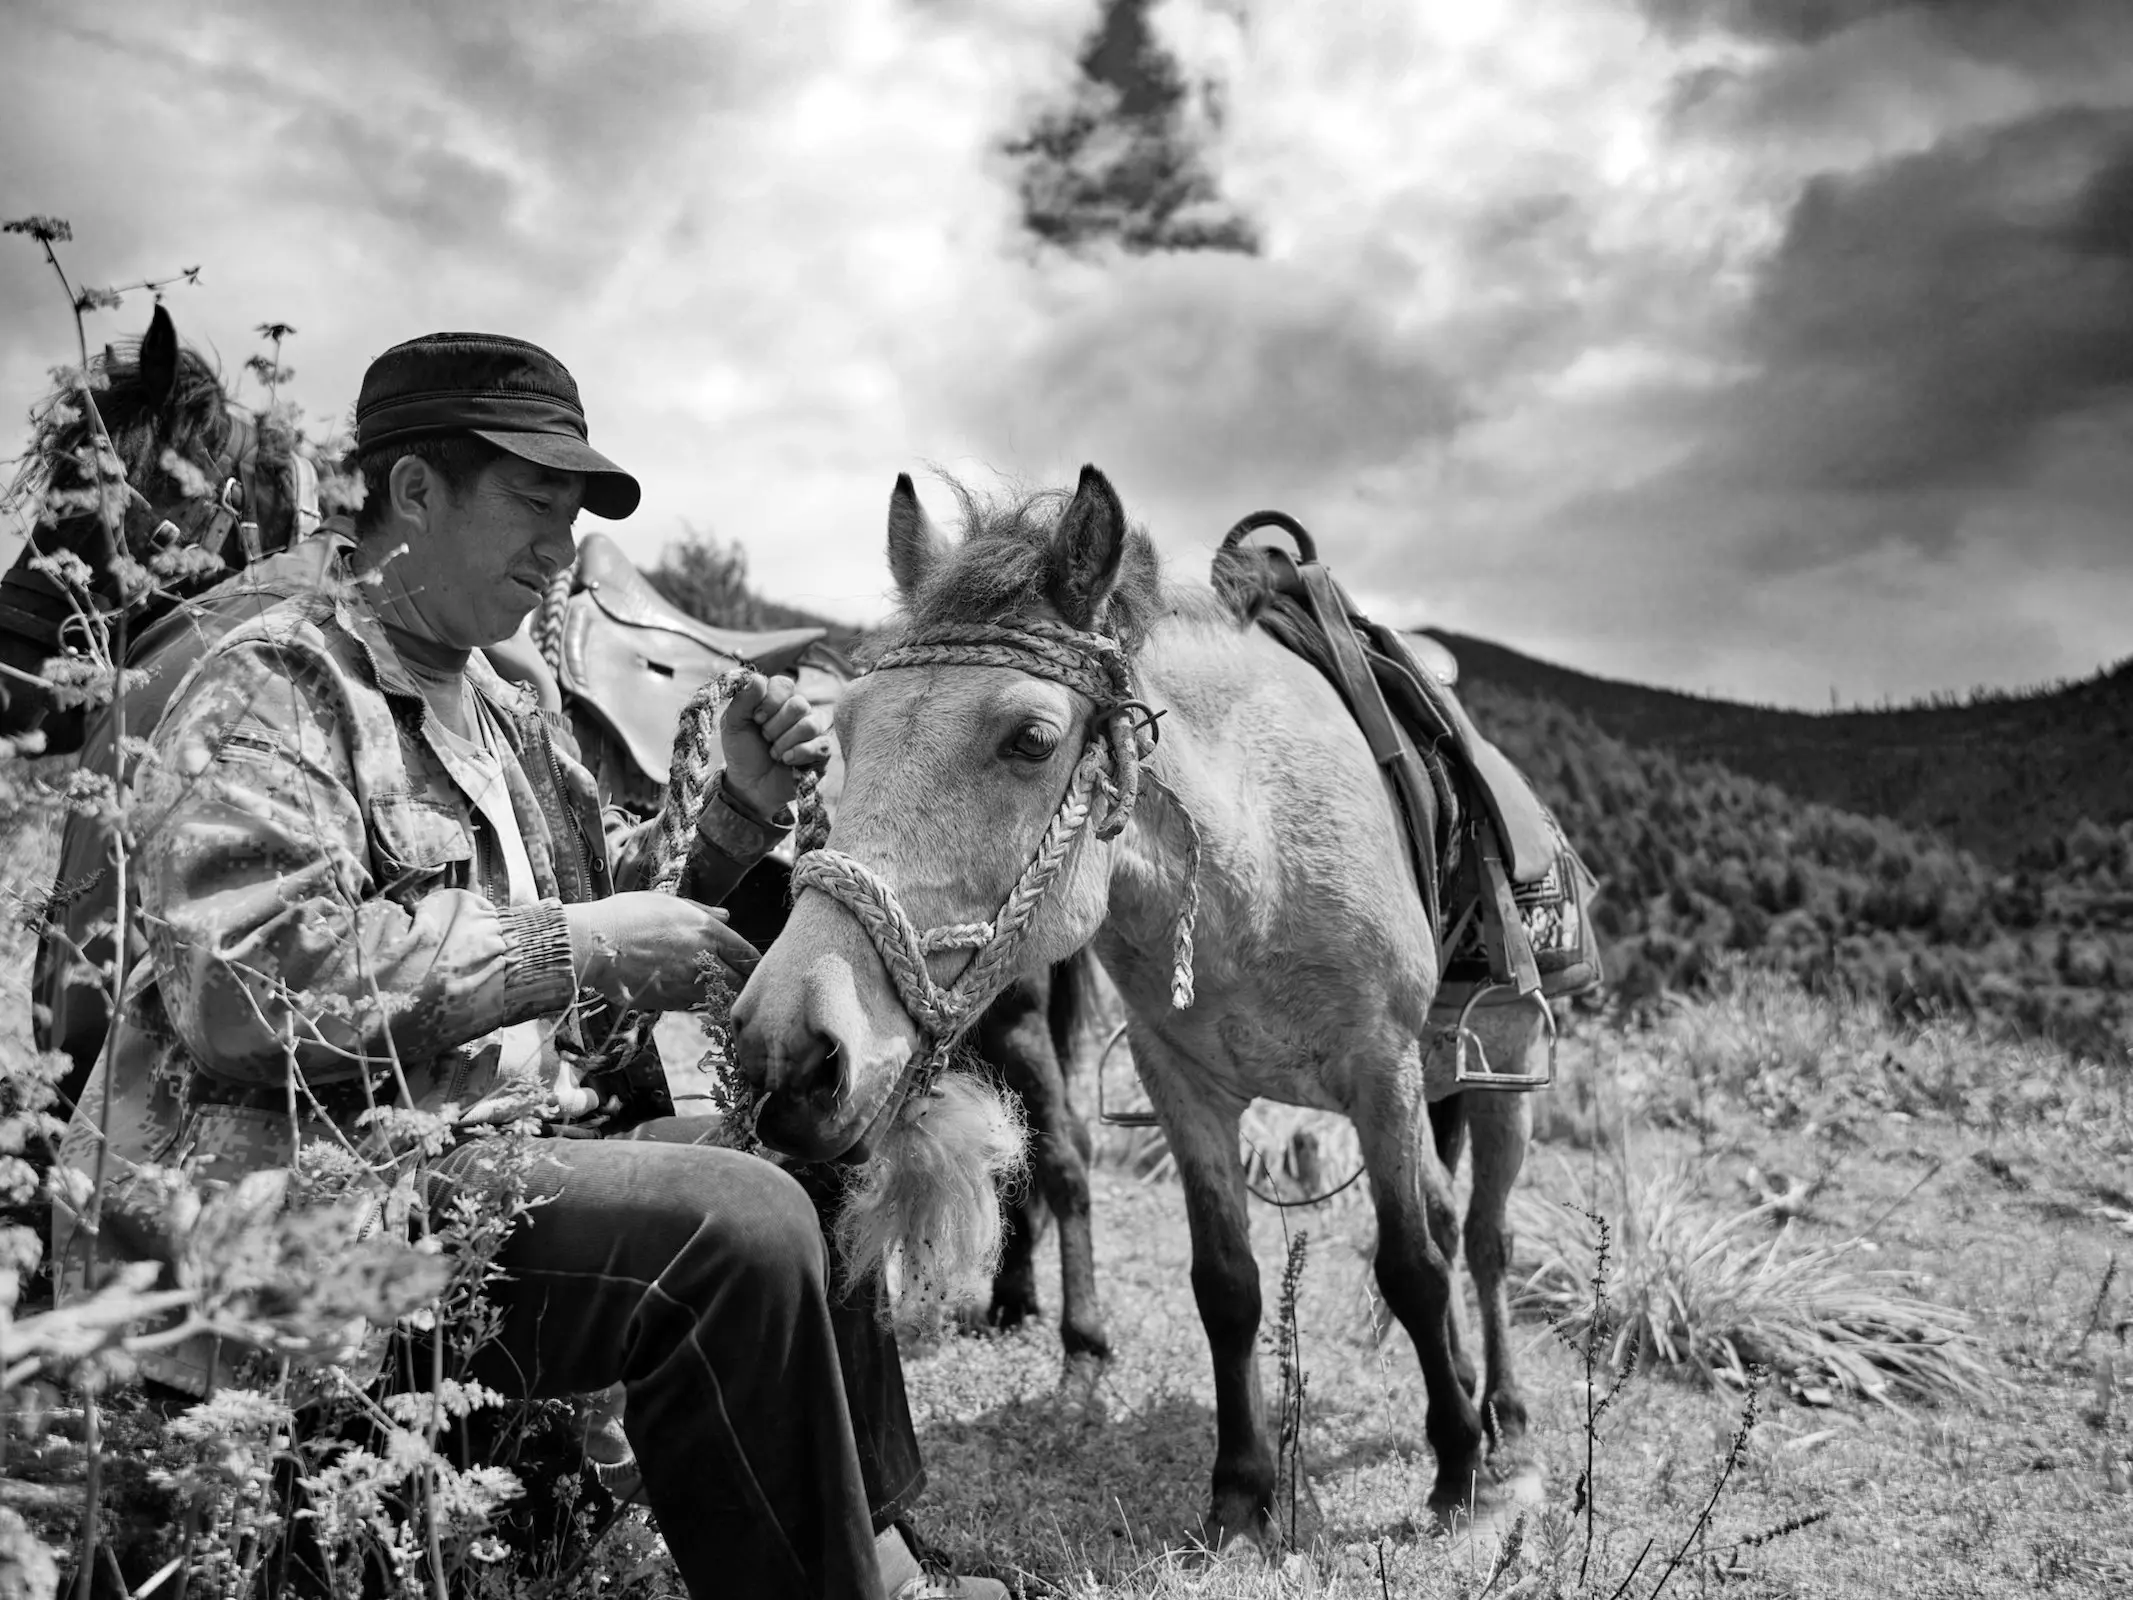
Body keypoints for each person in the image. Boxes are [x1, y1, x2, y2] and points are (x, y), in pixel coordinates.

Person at [51, 333, 999, 1600]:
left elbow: (604, 916)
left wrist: (733, 818)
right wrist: (568, 949)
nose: (562, 549)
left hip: (466, 1177)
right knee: (740, 1228)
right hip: (299, 1214)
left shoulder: (501, 703)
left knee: (799, 1162)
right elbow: (239, 992)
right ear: (412, 494)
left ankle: (871, 1561)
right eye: (533, 502)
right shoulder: (273, 683)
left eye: (573, 513)